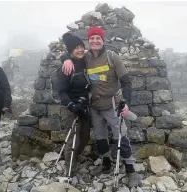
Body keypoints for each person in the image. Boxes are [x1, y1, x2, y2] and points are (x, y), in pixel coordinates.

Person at [61, 27, 139, 188]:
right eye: (92, 38)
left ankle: (131, 170)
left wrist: (127, 103)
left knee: (120, 136)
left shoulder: (112, 57)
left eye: (98, 38)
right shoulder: (86, 57)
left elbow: (126, 82)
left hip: (112, 104)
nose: (95, 41)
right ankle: (106, 163)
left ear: (102, 40)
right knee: (100, 136)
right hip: (95, 105)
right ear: (88, 41)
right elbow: (71, 54)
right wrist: (65, 59)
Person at [57, 32, 91, 175]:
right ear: (71, 50)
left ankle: (75, 156)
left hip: (84, 106)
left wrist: (65, 57)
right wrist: (71, 106)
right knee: (72, 138)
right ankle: (69, 167)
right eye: (76, 48)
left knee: (85, 136)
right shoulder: (66, 68)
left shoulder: (85, 61)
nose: (80, 50)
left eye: (81, 47)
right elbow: (61, 92)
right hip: (70, 106)